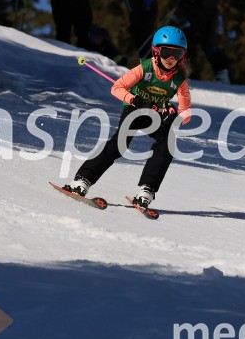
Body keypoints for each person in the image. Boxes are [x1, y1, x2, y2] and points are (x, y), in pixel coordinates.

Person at [64, 26, 192, 209]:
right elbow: (116, 88)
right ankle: (82, 180)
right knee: (119, 145)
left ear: (183, 55)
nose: (171, 59)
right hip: (134, 110)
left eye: (177, 54)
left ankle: (146, 190)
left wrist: (174, 116)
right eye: (166, 52)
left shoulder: (179, 80)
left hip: (155, 115)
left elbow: (186, 112)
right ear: (156, 51)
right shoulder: (145, 68)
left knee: (167, 144)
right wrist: (135, 100)